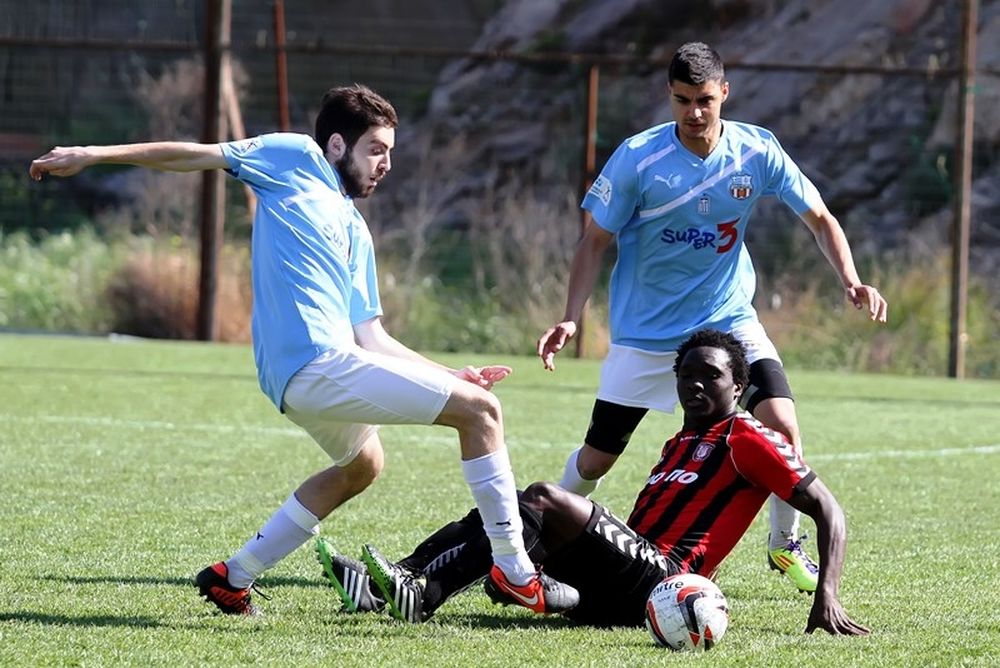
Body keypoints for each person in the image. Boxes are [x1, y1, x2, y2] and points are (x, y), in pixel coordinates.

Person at [29, 84, 578, 617]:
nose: (386, 164)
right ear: (337, 145)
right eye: (376, 150)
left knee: (363, 465)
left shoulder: (356, 231)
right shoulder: (293, 158)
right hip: (315, 365)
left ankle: (232, 577)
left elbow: (374, 338)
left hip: (315, 374)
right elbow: (195, 155)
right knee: (483, 416)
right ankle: (515, 570)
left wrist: (451, 374)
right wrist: (92, 154)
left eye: (390, 152)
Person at [535, 42, 888, 594]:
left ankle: (784, 544)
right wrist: (571, 316)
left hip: (727, 320)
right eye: (682, 101)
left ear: (725, 92)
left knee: (781, 426)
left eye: (704, 99)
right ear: (669, 98)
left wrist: (851, 278)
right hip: (648, 332)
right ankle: (541, 536)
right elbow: (594, 240)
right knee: (599, 457)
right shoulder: (638, 158)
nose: (694, 113)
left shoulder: (756, 150)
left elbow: (819, 218)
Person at [319, 329, 869, 636]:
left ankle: (425, 593)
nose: (696, 384)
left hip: (666, 582)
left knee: (540, 496)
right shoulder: (678, 442)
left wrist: (826, 595)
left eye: (712, 376)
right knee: (508, 505)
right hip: (621, 582)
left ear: (740, 383)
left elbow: (828, 508)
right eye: (686, 375)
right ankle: (397, 580)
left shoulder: (746, 438)